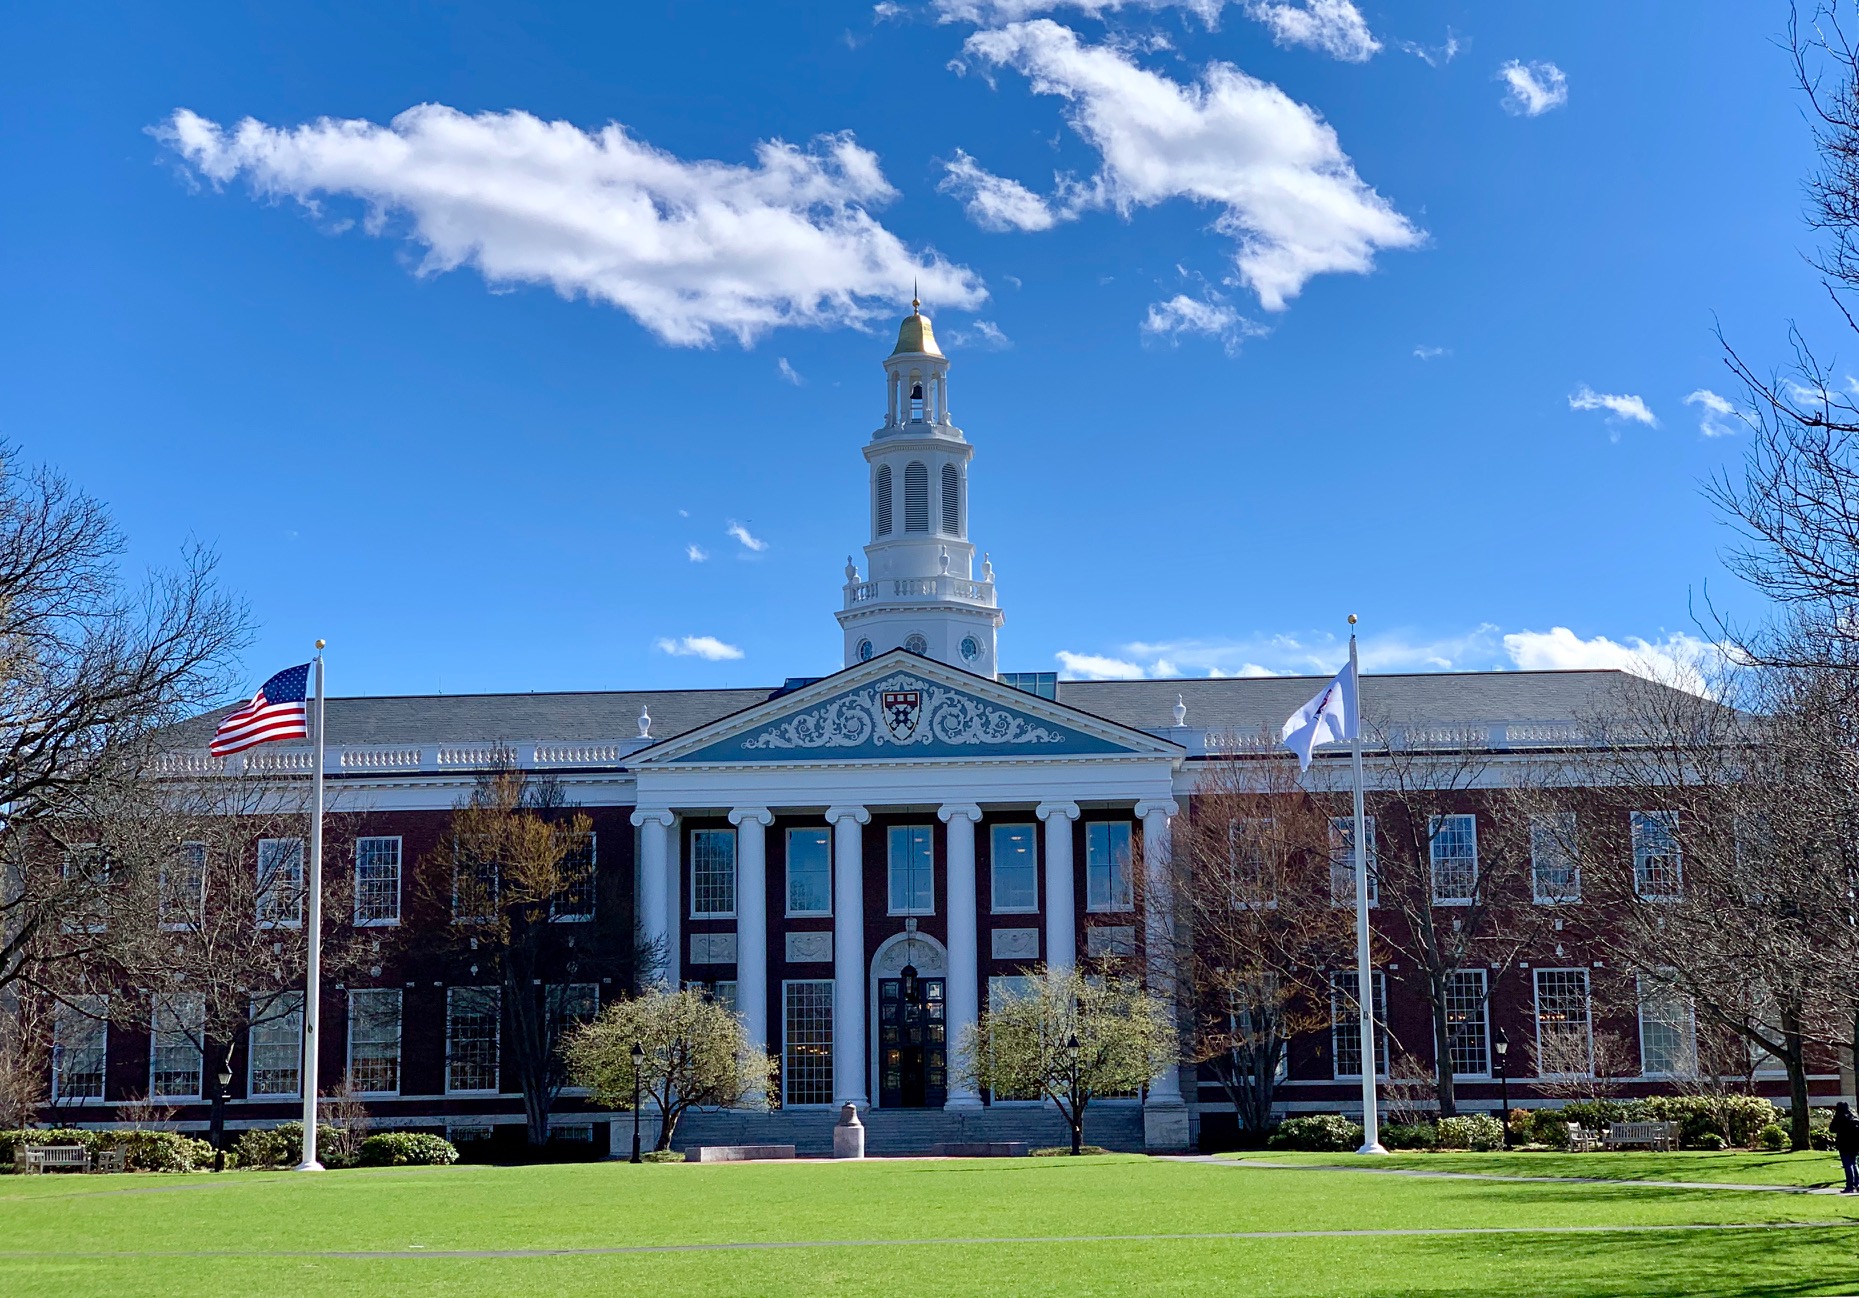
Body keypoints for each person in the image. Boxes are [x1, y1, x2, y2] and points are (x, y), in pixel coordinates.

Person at [1830, 1101, 1859, 1194]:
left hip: (1844, 1144)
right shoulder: (1854, 1117)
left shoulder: (1839, 1117)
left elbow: (1832, 1129)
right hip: (1855, 1144)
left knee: (1847, 1165)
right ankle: (1857, 1184)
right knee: (1854, 1164)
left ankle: (1849, 1186)